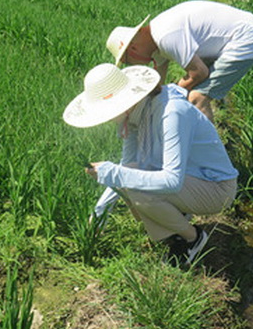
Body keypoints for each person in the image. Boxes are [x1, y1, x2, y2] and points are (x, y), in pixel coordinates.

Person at [63, 63, 238, 265]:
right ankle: (176, 220)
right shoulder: (135, 117)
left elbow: (171, 180)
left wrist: (113, 173)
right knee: (130, 181)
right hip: (190, 181)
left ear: (124, 104)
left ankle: (192, 237)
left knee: (136, 188)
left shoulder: (171, 113)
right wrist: (100, 211)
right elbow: (126, 166)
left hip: (216, 189)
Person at [106, 0, 253, 123]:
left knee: (197, 97)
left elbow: (199, 72)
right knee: (184, 93)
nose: (135, 65)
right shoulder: (155, 40)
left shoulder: (165, 37)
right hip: (233, 34)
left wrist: (173, 92)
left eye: (129, 62)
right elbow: (157, 86)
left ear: (133, 49)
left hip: (247, 37)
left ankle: (210, 159)